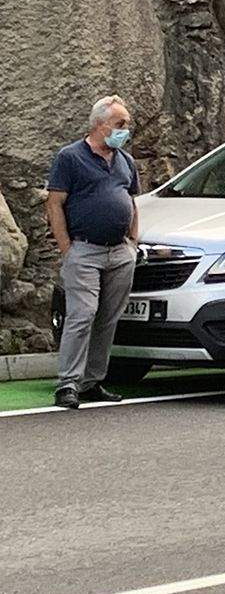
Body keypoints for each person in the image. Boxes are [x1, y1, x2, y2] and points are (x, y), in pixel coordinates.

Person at [45, 95, 140, 410]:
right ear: (100, 125)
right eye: (120, 124)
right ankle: (68, 383)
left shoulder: (125, 161)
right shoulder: (70, 157)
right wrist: (67, 249)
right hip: (84, 250)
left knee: (108, 317)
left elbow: (132, 200)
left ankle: (92, 381)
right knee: (82, 314)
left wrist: (133, 242)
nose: (125, 130)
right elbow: (55, 203)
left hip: (119, 252)